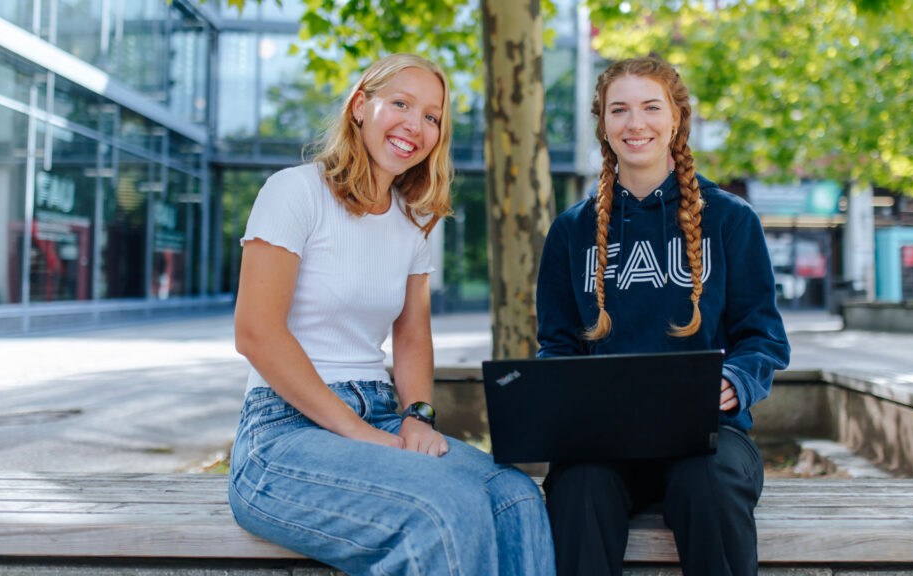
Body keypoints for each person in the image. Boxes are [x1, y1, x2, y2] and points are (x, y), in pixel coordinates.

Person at [228, 53, 554, 576]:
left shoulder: (412, 221)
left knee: (515, 496)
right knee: (444, 510)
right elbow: (257, 334)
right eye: (400, 103)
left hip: (379, 411)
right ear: (360, 106)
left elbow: (411, 338)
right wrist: (358, 432)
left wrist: (417, 416)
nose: (415, 125)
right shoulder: (294, 191)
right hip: (282, 432)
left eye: (431, 116)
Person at [536, 55, 791, 576]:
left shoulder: (730, 219)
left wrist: (736, 380)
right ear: (603, 125)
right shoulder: (570, 231)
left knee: (708, 483)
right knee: (578, 488)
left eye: (651, 107)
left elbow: (763, 337)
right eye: (619, 110)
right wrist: (556, 398)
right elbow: (556, 346)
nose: (636, 124)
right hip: (602, 442)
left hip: (710, 439)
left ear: (676, 118)